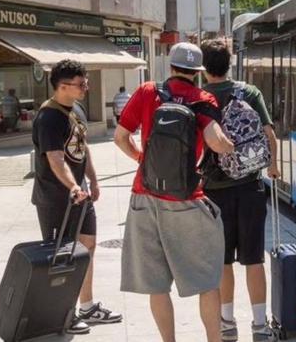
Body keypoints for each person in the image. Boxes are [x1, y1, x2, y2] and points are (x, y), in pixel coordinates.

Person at [113, 42, 235, 342]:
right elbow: (216, 142)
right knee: (207, 280)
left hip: (144, 194)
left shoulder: (147, 91)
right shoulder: (202, 99)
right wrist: (230, 145)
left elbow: (120, 137)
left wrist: (142, 160)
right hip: (185, 199)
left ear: (170, 66)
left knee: (156, 285)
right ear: (198, 71)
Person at [31, 59, 122, 335]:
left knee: (87, 247)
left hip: (80, 195)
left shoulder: (76, 109)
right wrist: (73, 186)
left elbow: (83, 148)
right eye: (81, 84)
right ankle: (63, 314)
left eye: (86, 82)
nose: (86, 88)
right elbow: (55, 159)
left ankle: (87, 307)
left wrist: (92, 179)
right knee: (62, 257)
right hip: (56, 198)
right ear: (62, 86)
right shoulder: (48, 118)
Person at [200, 38, 280, 342]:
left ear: (204, 67)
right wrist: (273, 167)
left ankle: (227, 322)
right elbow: (269, 134)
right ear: (230, 62)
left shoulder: (200, 98)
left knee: (223, 261)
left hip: (214, 190)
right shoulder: (249, 92)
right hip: (250, 187)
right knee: (254, 259)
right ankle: (260, 325)